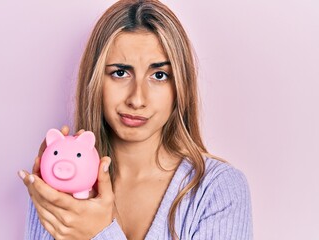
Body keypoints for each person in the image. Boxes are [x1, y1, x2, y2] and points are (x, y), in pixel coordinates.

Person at [18, 0, 253, 239]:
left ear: (180, 86)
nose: (137, 99)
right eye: (120, 73)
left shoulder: (218, 190)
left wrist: (98, 233)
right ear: (96, 80)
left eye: (159, 75)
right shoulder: (61, 181)